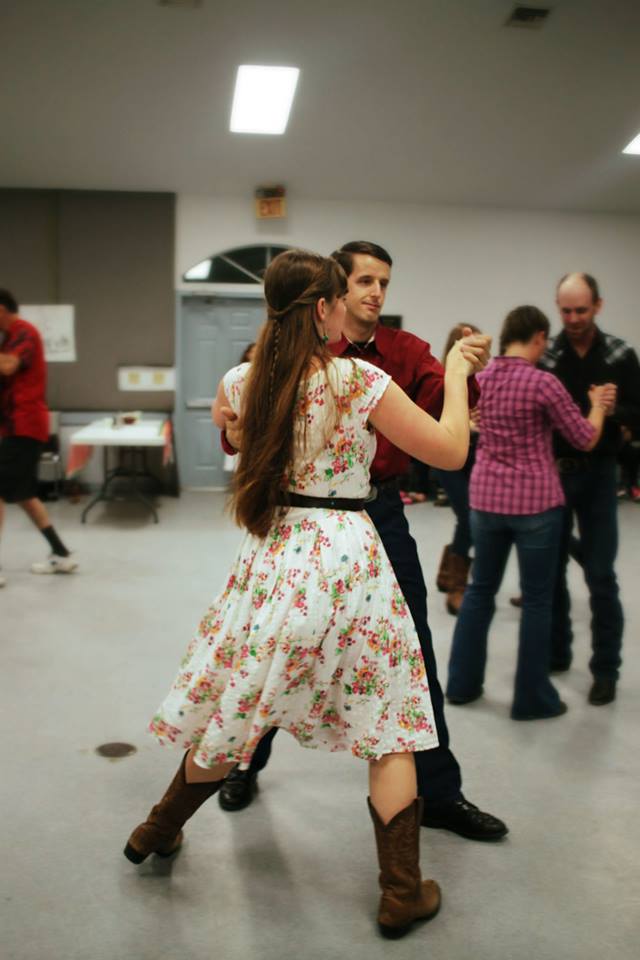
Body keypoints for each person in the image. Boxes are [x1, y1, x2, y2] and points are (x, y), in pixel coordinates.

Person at [124, 248, 474, 937]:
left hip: (276, 556)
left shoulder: (244, 378)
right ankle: (400, 891)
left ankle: (156, 828)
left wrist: (233, 424)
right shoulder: (359, 381)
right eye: (344, 295)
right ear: (322, 309)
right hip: (348, 556)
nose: (351, 304)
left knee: (240, 702)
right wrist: (458, 375)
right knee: (390, 725)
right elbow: (450, 450)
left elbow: (230, 426)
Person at [219, 241, 508, 843]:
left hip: (380, 512)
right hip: (302, 523)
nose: (376, 293)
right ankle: (244, 765)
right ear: (331, 294)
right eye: (365, 281)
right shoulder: (295, 355)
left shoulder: (403, 353)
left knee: (413, 655)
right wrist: (229, 427)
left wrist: (465, 370)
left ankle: (440, 794)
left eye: (385, 282)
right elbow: (243, 430)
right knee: (280, 648)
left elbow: (451, 418)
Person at [446, 306, 613, 720]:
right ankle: (531, 698)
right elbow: (584, 438)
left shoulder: (482, 380)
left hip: (485, 500)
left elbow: (465, 422)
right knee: (538, 600)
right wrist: (597, 406)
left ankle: (462, 686)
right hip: (536, 503)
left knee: (480, 592)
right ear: (539, 337)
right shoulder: (544, 383)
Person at [539, 272, 640, 706]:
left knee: (601, 575)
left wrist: (618, 410)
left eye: (581, 309)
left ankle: (606, 670)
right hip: (553, 474)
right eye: (566, 310)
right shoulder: (547, 356)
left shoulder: (620, 354)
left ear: (598, 305)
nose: (574, 318)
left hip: (600, 475)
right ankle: (557, 654)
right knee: (552, 572)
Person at [0, 289, 77, 586]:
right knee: (23, 495)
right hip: (17, 426)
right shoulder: (11, 337)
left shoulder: (23, 332)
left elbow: (8, 366)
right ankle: (61, 553)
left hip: (24, 425)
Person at [433, 323, 481, 616]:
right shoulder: (442, 379)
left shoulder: (483, 381)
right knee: (468, 516)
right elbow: (437, 420)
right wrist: (469, 423)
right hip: (446, 459)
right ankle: (456, 585)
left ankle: (448, 569)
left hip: (475, 456)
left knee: (468, 517)